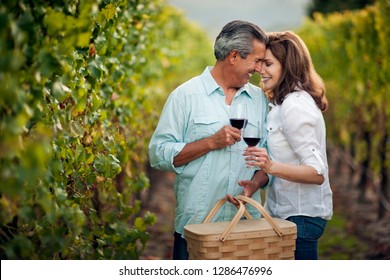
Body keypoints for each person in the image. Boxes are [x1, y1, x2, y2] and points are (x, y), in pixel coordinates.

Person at [148, 20, 270, 260]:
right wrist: (210, 143)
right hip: (197, 227)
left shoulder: (259, 100)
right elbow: (158, 153)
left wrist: (255, 184)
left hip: (245, 226)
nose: (258, 69)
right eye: (255, 60)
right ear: (234, 56)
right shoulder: (185, 96)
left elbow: (269, 157)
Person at [243, 31, 333, 260]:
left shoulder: (295, 105)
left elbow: (316, 172)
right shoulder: (283, 104)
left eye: (268, 64)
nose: (259, 70)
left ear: (289, 65)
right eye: (260, 63)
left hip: (300, 217)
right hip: (290, 215)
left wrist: (271, 166)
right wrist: (257, 181)